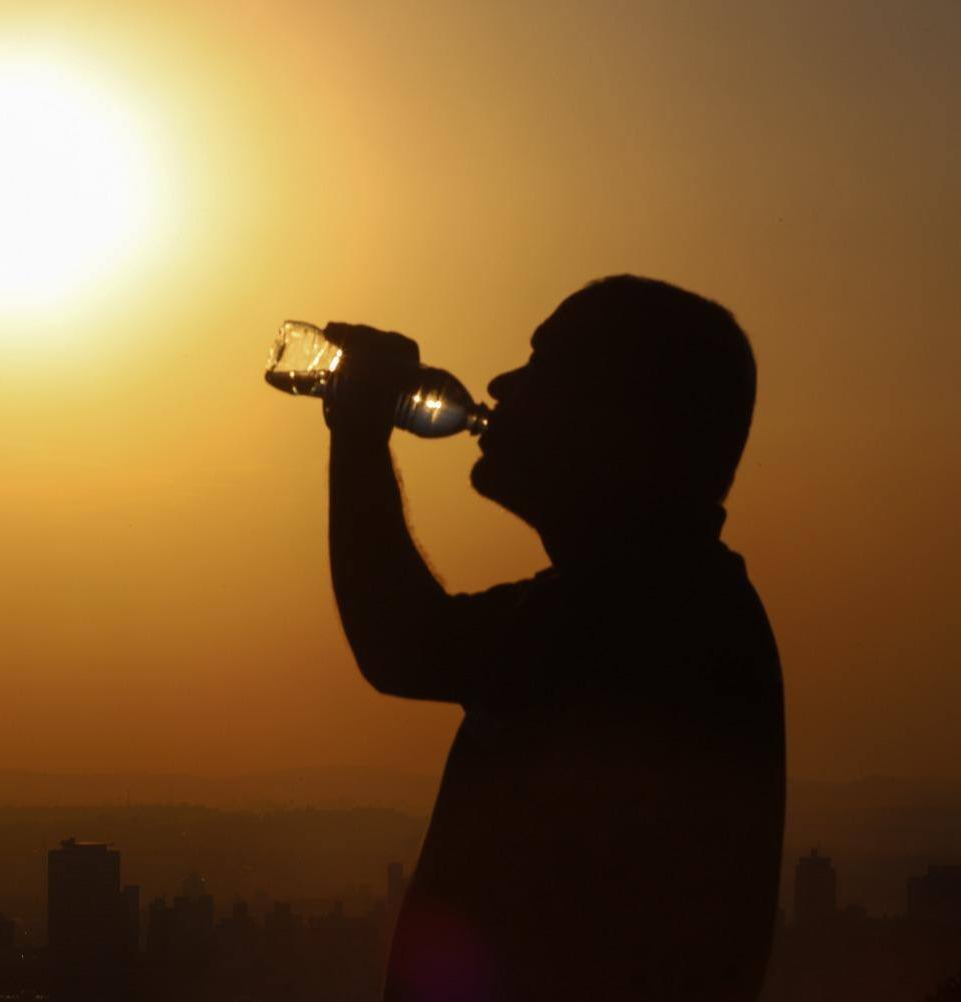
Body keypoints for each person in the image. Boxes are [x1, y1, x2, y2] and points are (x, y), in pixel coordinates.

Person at [324, 275, 784, 1002]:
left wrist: (356, 435)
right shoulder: (663, 599)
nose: (502, 383)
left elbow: (400, 641)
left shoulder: (651, 617)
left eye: (542, 365)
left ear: (622, 419)